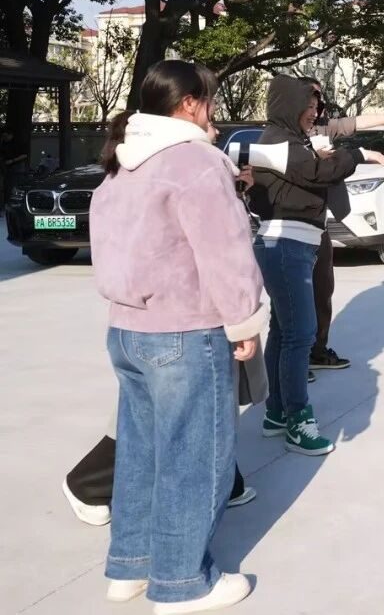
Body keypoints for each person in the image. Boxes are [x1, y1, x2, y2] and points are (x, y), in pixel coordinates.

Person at [89, 59, 265, 611]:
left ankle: (131, 566)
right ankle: (182, 581)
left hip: (127, 327)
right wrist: (244, 321)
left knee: (141, 453)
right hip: (185, 330)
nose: (212, 110)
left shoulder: (122, 160)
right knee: (195, 457)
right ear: (190, 103)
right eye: (208, 99)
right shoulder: (196, 160)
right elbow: (225, 250)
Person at [247, 76, 384, 456]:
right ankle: (298, 419)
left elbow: (309, 171)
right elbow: (316, 173)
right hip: (285, 244)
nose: (313, 114)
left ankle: (277, 412)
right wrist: (358, 155)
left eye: (316, 108)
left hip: (295, 244)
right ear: (288, 106)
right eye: (307, 107)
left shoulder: (291, 140)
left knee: (285, 331)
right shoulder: (276, 141)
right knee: (300, 334)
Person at [298, 77, 384, 372]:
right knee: (295, 297)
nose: (315, 109)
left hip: (319, 223)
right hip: (294, 226)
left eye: (318, 102)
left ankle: (317, 350)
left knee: (322, 289)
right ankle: (294, 361)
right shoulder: (284, 136)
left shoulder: (323, 128)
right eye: (310, 101)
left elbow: (358, 122)